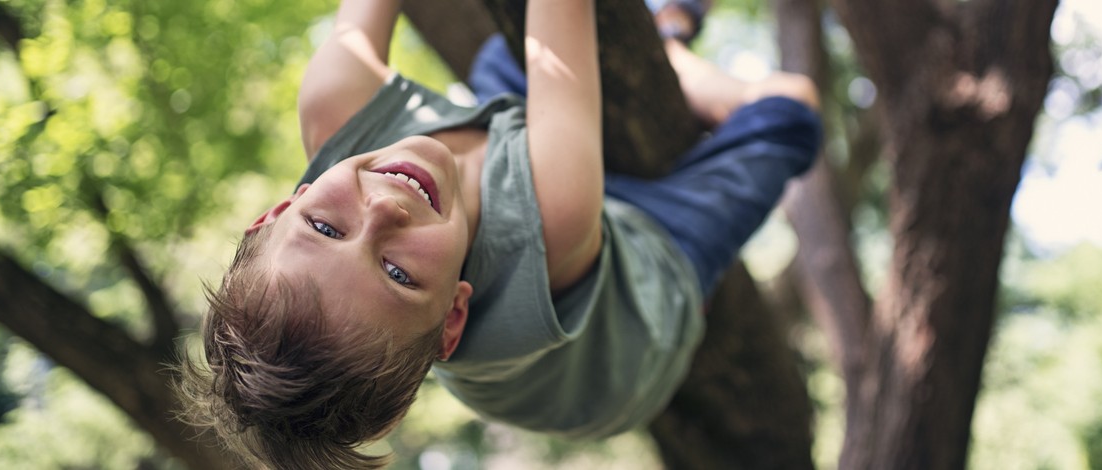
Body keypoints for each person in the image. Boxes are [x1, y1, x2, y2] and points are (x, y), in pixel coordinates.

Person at [176, 0, 822, 468]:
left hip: (545, 181)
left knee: (505, 55)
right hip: (629, 328)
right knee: (789, 109)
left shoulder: (334, 103)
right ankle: (672, 35)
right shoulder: (553, 211)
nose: (383, 213)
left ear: (276, 211)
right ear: (454, 315)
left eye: (324, 226)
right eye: (399, 274)